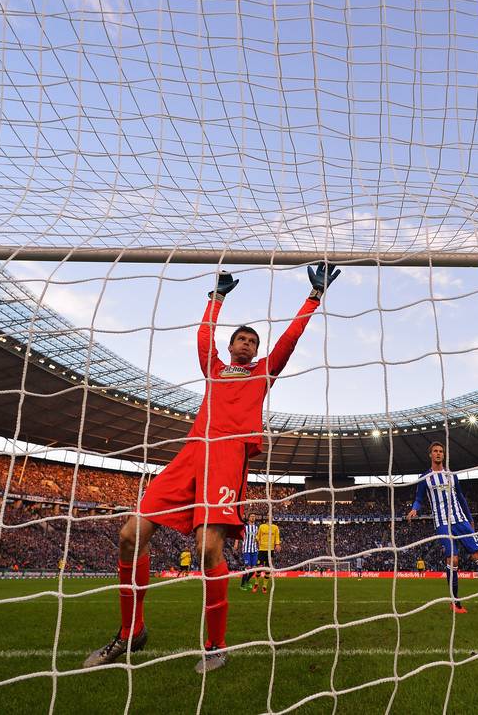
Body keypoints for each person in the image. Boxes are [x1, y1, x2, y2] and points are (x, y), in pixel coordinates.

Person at [84, 263, 338, 673]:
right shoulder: (215, 370)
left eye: (251, 340)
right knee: (130, 534)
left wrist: (314, 296)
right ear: (232, 345)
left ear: (256, 351)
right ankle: (131, 632)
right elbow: (203, 338)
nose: (245, 343)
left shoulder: (262, 373)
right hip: (190, 454)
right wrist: (216, 299)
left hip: (227, 458)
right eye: (240, 338)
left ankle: (216, 644)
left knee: (207, 549)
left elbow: (291, 338)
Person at [407, 441, 478, 614]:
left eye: (441, 451)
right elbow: (419, 498)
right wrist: (414, 509)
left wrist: (470, 518)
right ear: (430, 455)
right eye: (435, 451)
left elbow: (461, 497)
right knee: (453, 560)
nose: (438, 453)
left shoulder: (452, 475)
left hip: (461, 521)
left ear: (444, 455)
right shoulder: (425, 478)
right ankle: (455, 602)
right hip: (443, 523)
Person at [254, 516, 280, 594]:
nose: (270, 517)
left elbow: (277, 537)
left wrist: (277, 544)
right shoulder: (262, 526)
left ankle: (264, 586)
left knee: (268, 569)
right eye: (268, 515)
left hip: (270, 550)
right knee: (259, 568)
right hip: (262, 549)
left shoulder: (275, 527)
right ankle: (256, 584)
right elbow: (258, 536)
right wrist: (256, 540)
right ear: (266, 518)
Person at [236, 513, 260, 591]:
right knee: (247, 568)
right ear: (248, 518)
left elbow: (258, 538)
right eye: (251, 516)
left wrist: (259, 545)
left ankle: (246, 581)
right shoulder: (245, 527)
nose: (253, 518)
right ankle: (242, 585)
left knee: (254, 569)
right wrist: (236, 544)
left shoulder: (256, 528)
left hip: (254, 550)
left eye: (254, 517)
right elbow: (238, 535)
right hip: (246, 550)